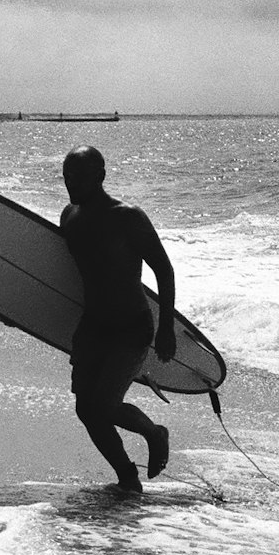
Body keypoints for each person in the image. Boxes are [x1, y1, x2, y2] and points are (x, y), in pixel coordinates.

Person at [60, 146, 176, 495]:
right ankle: (127, 476)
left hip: (130, 327)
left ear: (101, 176)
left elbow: (164, 270)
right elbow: (58, 274)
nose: (72, 184)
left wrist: (167, 327)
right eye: (67, 178)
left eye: (80, 177)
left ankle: (154, 433)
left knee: (106, 406)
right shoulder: (69, 216)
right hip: (93, 326)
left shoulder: (128, 217)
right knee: (86, 409)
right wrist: (15, 309)